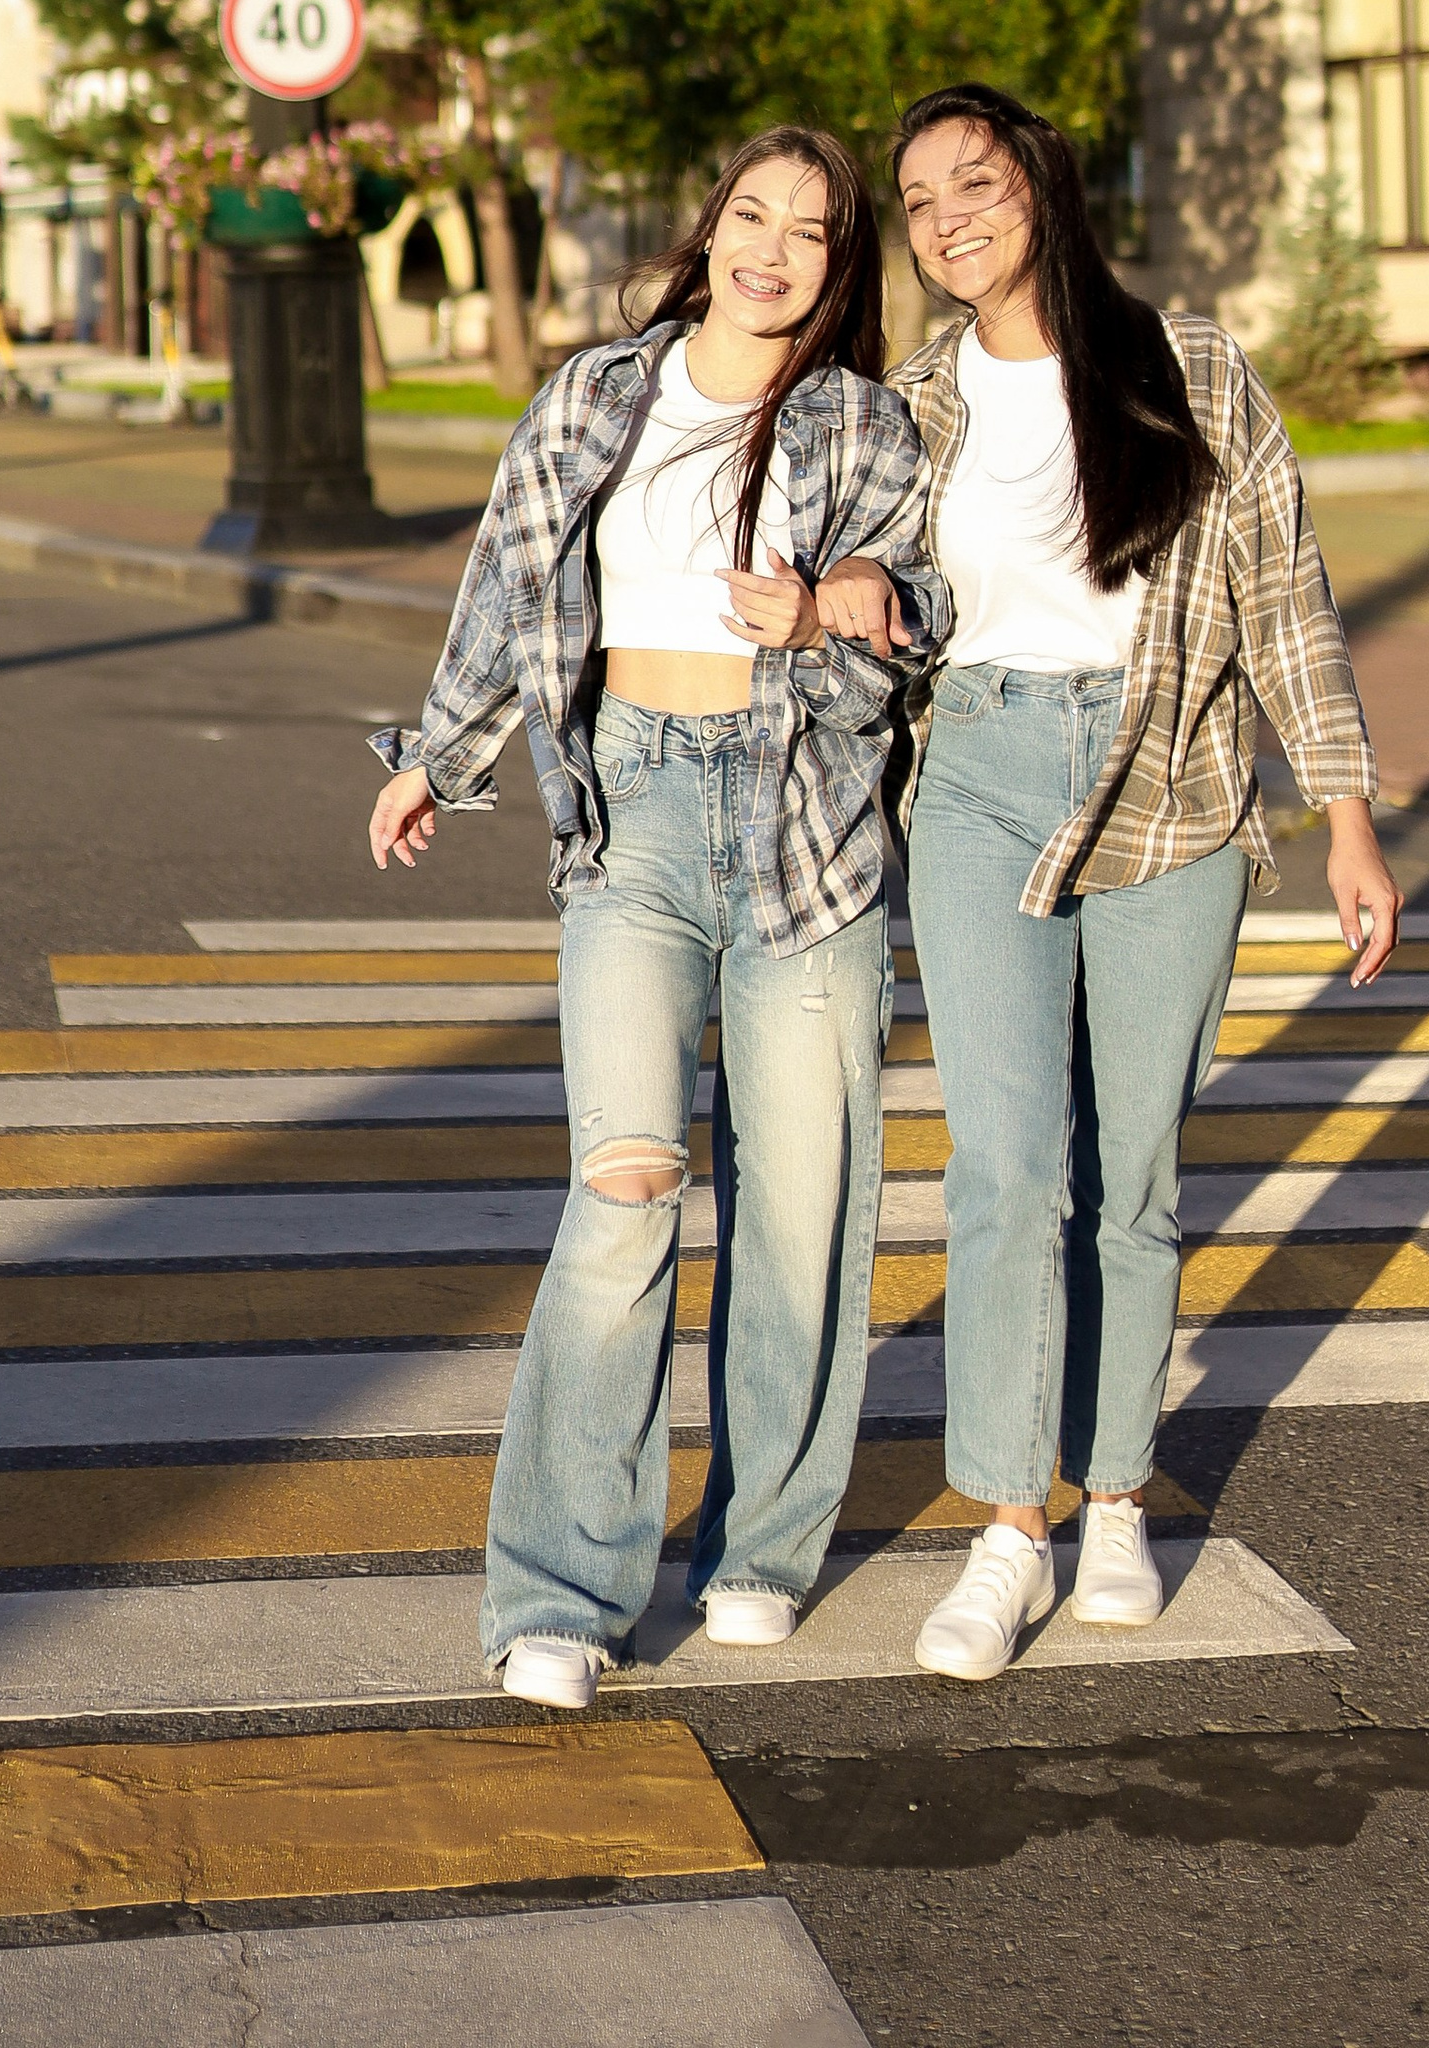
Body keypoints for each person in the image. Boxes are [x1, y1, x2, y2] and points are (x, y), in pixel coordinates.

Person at [817, 81, 1403, 1684]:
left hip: (1179, 790)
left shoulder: (1191, 368)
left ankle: (1118, 1499)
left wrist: (1346, 817)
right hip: (985, 784)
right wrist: (858, 590)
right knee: (1011, 1169)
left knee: (1131, 1178)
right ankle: (1011, 1527)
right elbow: (884, 595)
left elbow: (1287, 597)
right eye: (920, 201)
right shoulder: (914, 404)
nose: (948, 219)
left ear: (1042, 184)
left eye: (974, 182)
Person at [368, 126, 945, 1714]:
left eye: (812, 233)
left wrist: (832, 616)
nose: (772, 249)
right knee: (624, 1190)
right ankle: (561, 1587)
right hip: (628, 818)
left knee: (802, 1211)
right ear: (712, 231)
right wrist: (437, 757)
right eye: (751, 215)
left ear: (839, 274)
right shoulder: (598, 396)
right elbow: (508, 580)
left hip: (807, 830)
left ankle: (760, 1548)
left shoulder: (867, 431)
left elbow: (915, 634)